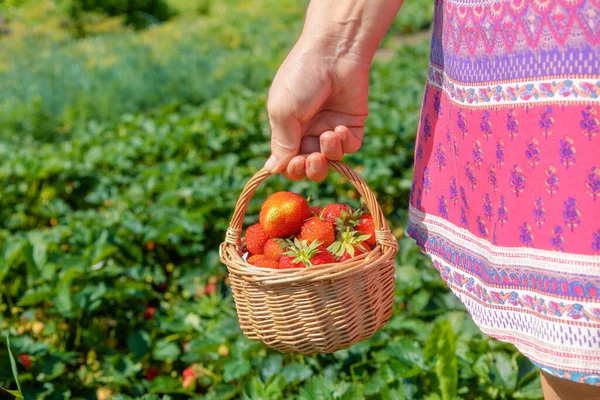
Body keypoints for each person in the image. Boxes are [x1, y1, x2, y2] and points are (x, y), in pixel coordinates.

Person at [264, 0, 600, 399]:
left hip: (563, 44)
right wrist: (333, 48)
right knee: (579, 332)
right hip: (544, 49)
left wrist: (334, 45)